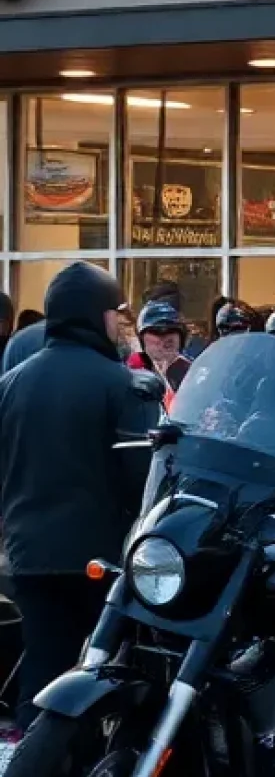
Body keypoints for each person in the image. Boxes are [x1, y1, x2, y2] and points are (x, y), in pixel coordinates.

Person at [0, 264, 156, 728]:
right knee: (110, 672)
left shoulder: (10, 383)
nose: (120, 326)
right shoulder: (121, 383)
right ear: (96, 316)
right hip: (102, 557)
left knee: (43, 667)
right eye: (115, 314)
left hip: (27, 555)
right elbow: (146, 478)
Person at [126, 299, 194, 403]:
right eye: (155, 331)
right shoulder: (131, 372)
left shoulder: (192, 372)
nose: (164, 338)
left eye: (172, 330)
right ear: (141, 338)